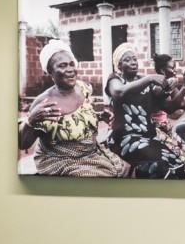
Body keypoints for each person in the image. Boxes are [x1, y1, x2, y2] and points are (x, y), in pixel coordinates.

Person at [17, 40, 130, 178]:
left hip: (90, 151)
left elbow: (79, 116)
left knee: (127, 169)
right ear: (50, 71)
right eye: (63, 66)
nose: (70, 69)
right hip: (61, 160)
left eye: (72, 64)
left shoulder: (83, 88)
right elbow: (23, 144)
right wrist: (31, 121)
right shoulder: (44, 102)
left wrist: (99, 116)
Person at [103, 42, 185, 179]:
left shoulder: (145, 81)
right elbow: (119, 92)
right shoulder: (115, 79)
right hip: (125, 139)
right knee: (159, 166)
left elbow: (171, 108)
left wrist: (173, 88)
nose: (133, 62)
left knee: (177, 164)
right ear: (119, 66)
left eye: (135, 59)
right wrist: (149, 79)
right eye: (127, 60)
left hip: (148, 137)